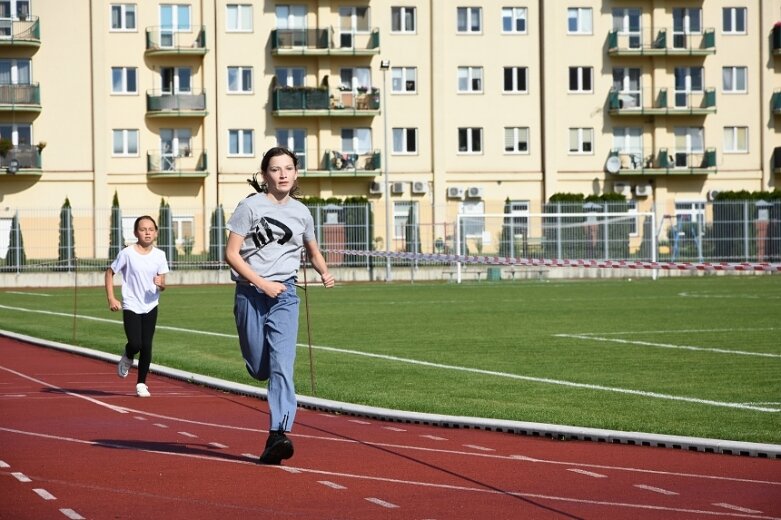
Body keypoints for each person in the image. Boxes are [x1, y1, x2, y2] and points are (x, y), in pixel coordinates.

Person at [225, 146, 335, 465]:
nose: (283, 174)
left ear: (296, 173)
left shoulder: (302, 212)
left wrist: (324, 271)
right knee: (260, 367)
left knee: (282, 366)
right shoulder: (249, 207)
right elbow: (231, 254)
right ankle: (274, 419)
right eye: (275, 169)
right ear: (265, 175)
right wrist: (261, 283)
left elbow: (312, 251)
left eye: (288, 168)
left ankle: (278, 433)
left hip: (286, 294)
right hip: (250, 293)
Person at [105, 215, 169, 398]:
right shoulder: (127, 253)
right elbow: (110, 273)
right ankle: (128, 353)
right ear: (135, 232)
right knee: (136, 343)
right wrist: (111, 298)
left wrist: (161, 284)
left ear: (156, 232)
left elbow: (163, 284)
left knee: (147, 345)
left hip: (151, 305)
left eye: (150, 229)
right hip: (132, 304)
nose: (147, 232)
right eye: (143, 229)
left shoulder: (160, 255)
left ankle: (141, 383)